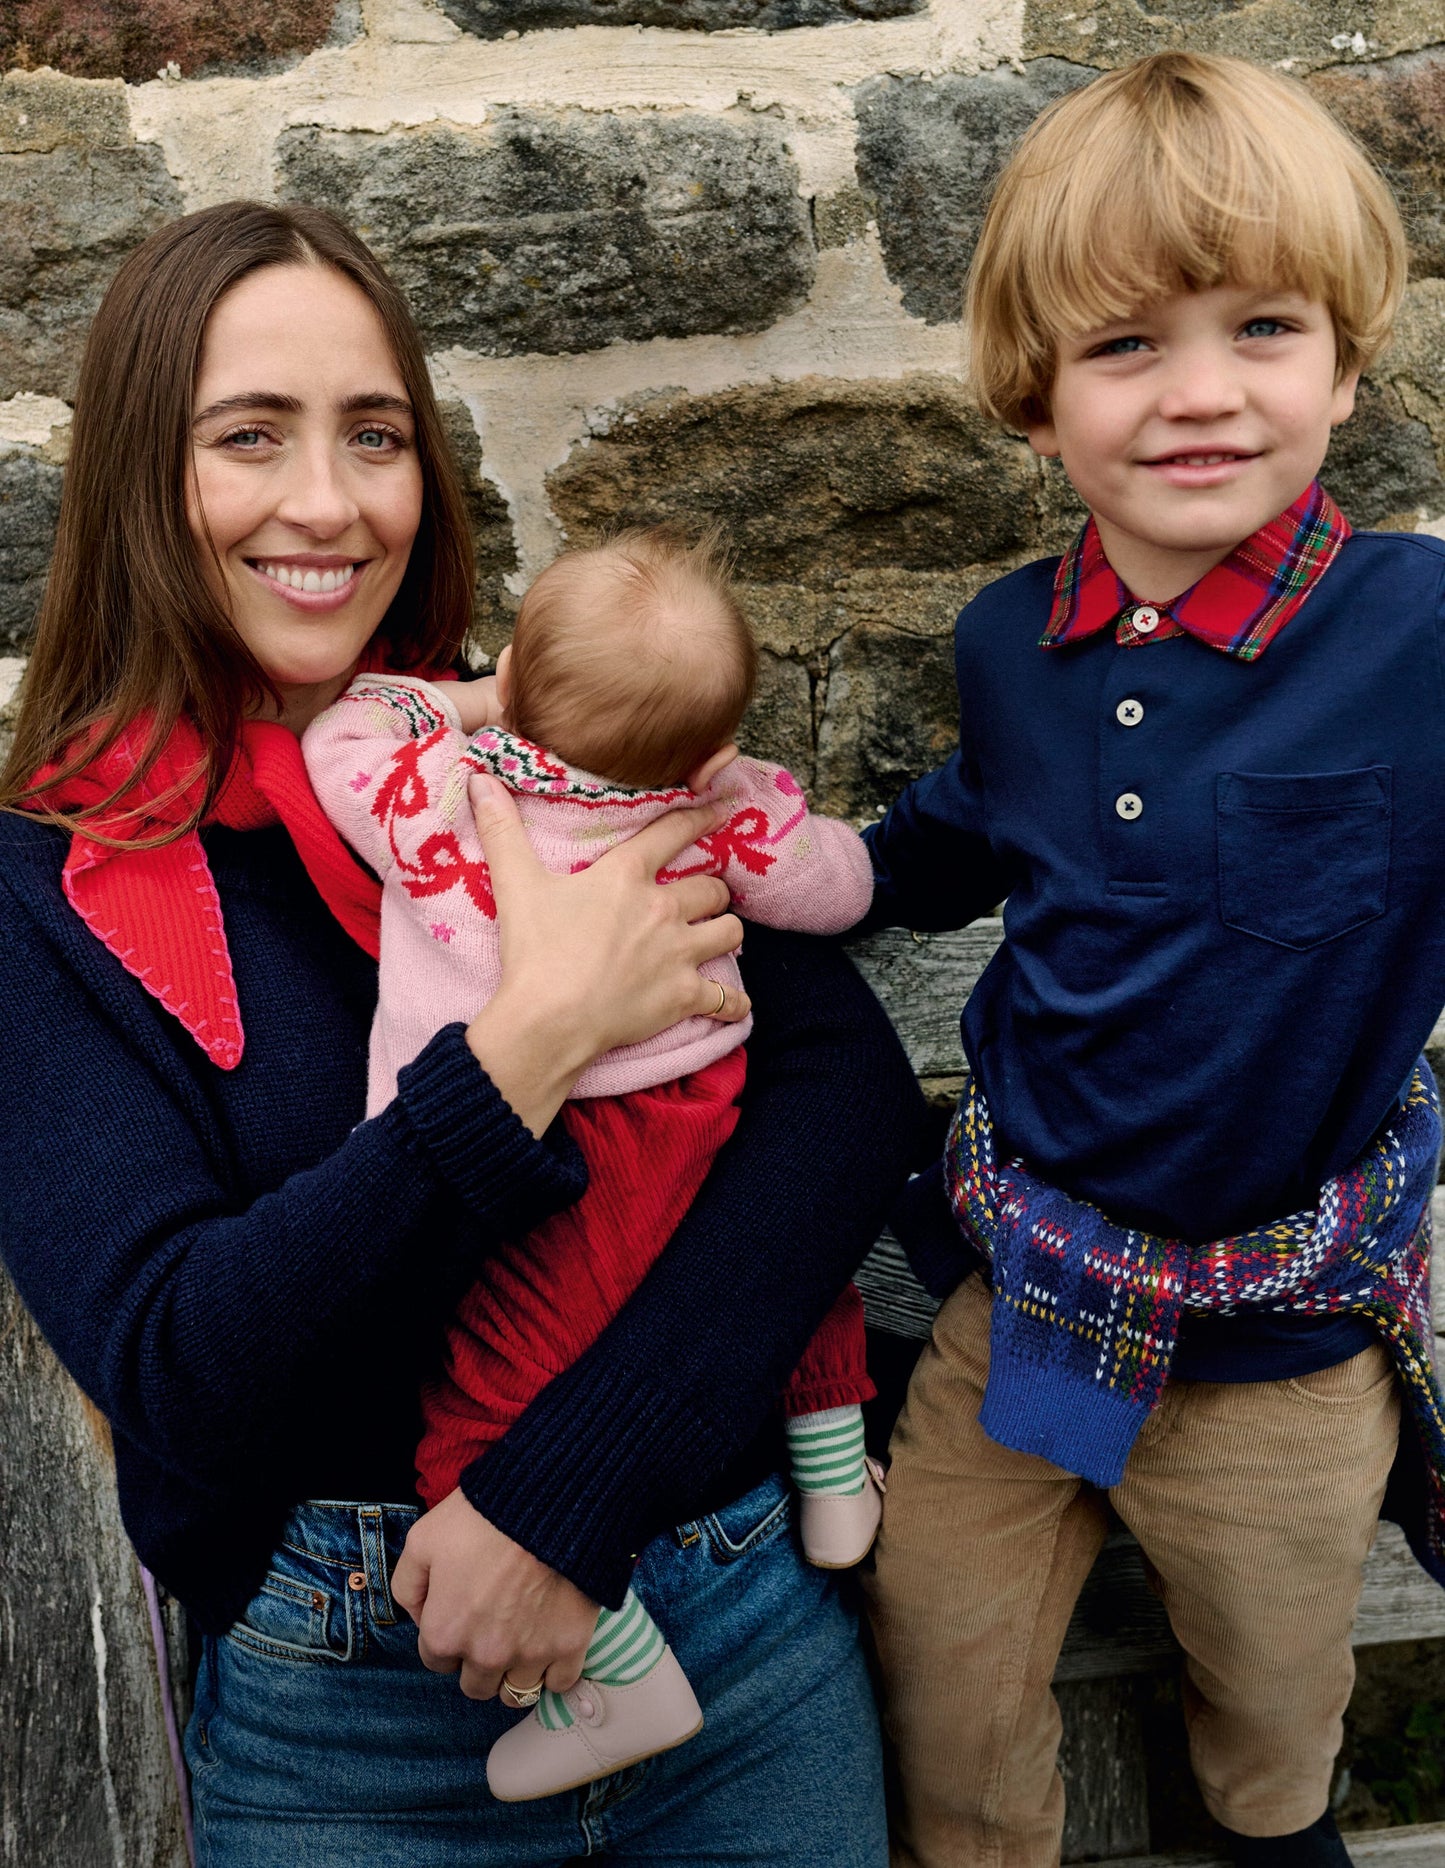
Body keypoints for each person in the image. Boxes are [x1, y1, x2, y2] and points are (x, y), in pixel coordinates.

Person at [0, 200, 923, 1865]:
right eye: (249, 437)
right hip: (359, 1716)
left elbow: (841, 1097)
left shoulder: (533, 743)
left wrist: (565, 1493)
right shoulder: (48, 887)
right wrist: (533, 1042)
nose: (329, 503)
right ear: (144, 474)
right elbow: (185, 1359)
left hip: (730, 1618)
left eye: (376, 436)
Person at [857, 52, 1445, 1868]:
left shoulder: (1418, 634)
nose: (1200, 393)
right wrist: (817, 872)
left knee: (1273, 1710)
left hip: (1280, 1331)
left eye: (1263, 326)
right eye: (1124, 346)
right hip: (1032, 1282)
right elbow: (967, 833)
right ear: (1038, 401)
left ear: (1345, 364)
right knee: (945, 1673)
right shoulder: (1008, 643)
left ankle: (1282, 1838)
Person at [301, 526, 886, 1799]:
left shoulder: (442, 791)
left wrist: (472, 699)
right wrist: (768, 801)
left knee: (480, 1404)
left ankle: (619, 1678)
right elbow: (833, 887)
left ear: (510, 677)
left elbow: (337, 735)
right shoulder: (715, 806)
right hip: (701, 1090)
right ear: (712, 741)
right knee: (765, 1249)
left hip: (551, 1139)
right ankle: (837, 1474)